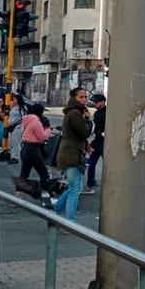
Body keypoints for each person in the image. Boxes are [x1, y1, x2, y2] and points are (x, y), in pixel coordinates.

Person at [52, 88, 91, 223]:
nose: (85, 99)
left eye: (86, 97)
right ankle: (70, 222)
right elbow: (84, 133)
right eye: (81, 97)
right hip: (72, 155)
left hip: (69, 154)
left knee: (73, 187)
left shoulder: (73, 112)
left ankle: (56, 209)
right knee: (75, 189)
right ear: (74, 98)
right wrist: (88, 120)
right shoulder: (75, 113)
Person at [14, 103, 55, 204]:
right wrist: (48, 130)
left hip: (25, 148)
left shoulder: (27, 120)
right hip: (33, 149)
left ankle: (16, 198)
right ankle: (45, 198)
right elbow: (43, 137)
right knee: (44, 174)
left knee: (24, 174)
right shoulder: (36, 122)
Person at [84, 93, 106, 195]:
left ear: (102, 102)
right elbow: (95, 127)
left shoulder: (108, 112)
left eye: (96, 102)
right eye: (94, 102)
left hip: (104, 142)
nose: (94, 104)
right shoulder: (97, 113)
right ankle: (90, 183)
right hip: (97, 141)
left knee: (108, 165)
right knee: (91, 163)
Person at [7, 95, 25, 165]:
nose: (13, 101)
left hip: (18, 127)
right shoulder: (14, 108)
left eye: (14, 99)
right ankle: (13, 156)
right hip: (12, 127)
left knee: (16, 142)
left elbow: (23, 118)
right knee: (12, 142)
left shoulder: (22, 108)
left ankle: (17, 158)